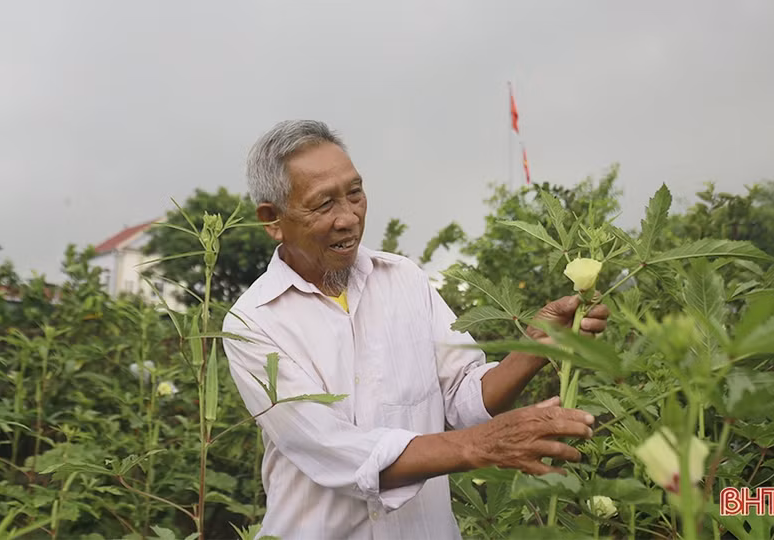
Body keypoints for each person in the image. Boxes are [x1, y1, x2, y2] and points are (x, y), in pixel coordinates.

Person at [222, 120, 609, 540]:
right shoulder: (253, 323)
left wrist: (535, 346)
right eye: (323, 204)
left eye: (355, 193)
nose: (348, 218)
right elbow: (334, 451)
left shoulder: (403, 279)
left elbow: (463, 397)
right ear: (272, 219)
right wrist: (481, 445)